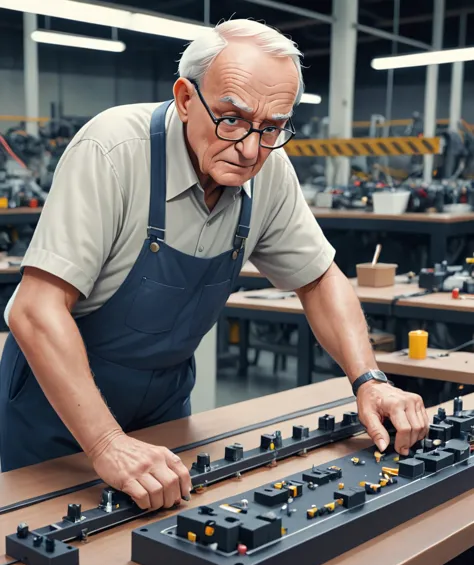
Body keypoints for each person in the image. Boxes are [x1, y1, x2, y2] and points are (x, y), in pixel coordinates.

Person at [0, 19, 428, 509]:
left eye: (272, 128)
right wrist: (105, 443)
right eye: (231, 119)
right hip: (57, 414)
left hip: (162, 410)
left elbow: (319, 278)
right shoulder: (113, 150)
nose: (249, 148)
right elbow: (34, 311)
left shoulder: (269, 169)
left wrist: (369, 379)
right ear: (185, 99)